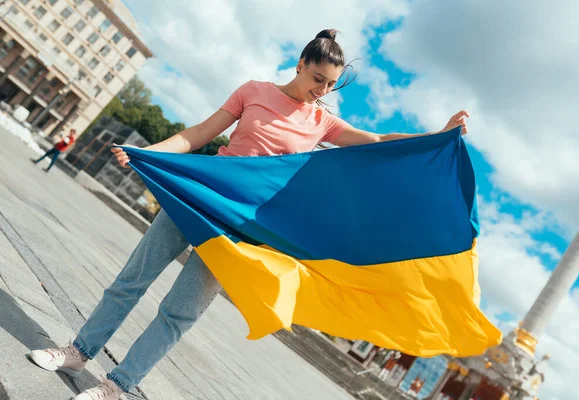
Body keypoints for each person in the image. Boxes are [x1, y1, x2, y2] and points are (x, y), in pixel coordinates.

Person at [28, 29, 469, 400]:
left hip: (241, 228)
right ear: (300, 64)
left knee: (179, 313)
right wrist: (146, 153)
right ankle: (78, 351)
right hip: (197, 198)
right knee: (132, 280)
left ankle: (118, 386)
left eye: (330, 85)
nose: (322, 90)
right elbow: (199, 133)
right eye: (318, 78)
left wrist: (437, 136)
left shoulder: (322, 122)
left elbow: (376, 141)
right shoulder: (253, 91)